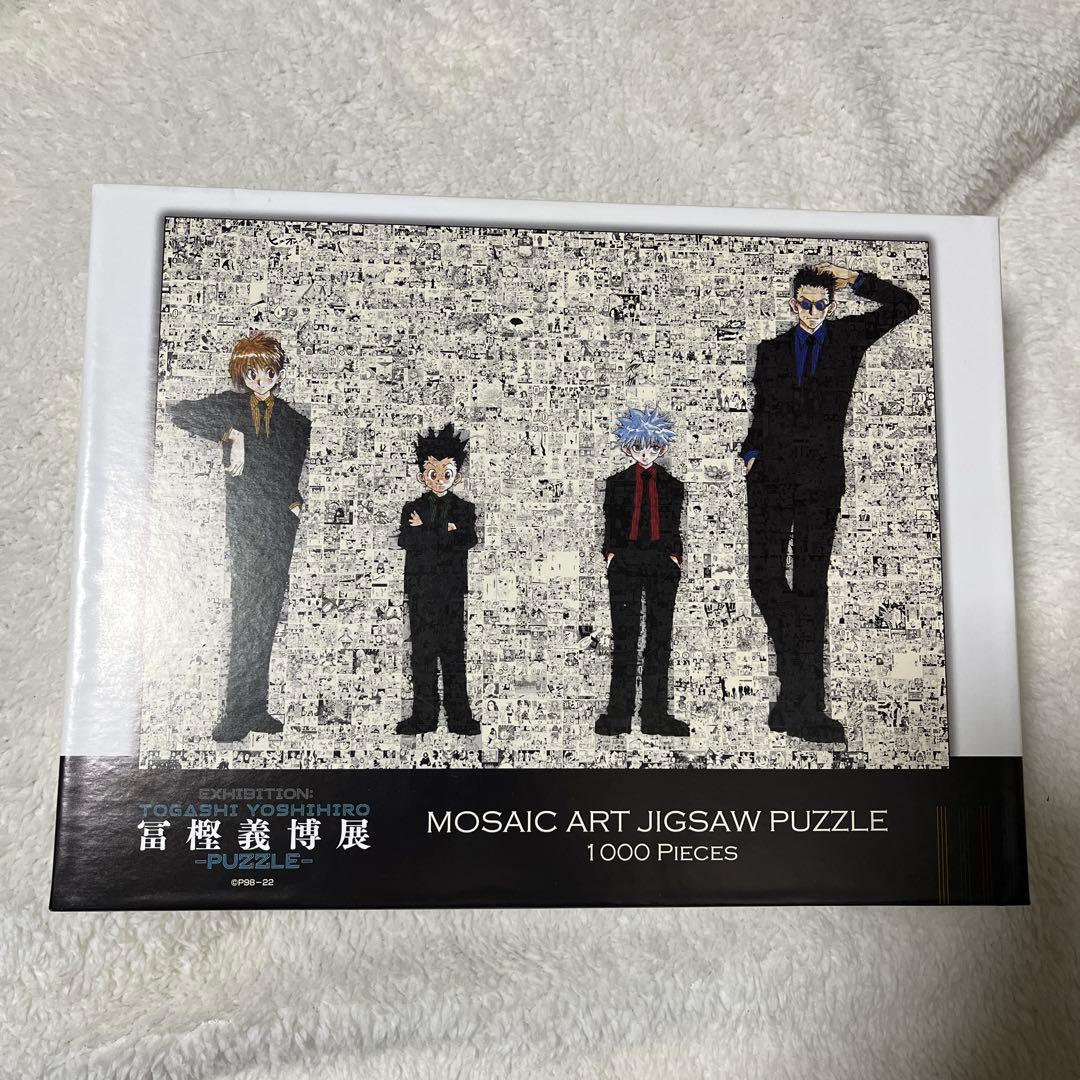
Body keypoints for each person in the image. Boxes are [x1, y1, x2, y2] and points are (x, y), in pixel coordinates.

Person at [741, 262, 919, 743]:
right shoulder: (771, 351)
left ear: (831, 304)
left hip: (819, 483)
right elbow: (763, 411)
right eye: (805, 303)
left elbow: (906, 305)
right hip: (770, 480)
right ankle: (794, 697)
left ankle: (806, 709)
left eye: (822, 304)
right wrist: (752, 453)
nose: (813, 311)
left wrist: (856, 279)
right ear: (793, 302)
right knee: (764, 579)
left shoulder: (847, 340)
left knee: (810, 589)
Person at [170, 332, 311, 742]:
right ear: (241, 375)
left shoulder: (294, 421)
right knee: (246, 613)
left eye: (267, 372)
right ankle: (237, 712)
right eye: (251, 373)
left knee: (266, 613)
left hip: (279, 523)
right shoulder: (230, 407)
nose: (260, 380)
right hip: (247, 523)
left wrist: (293, 505)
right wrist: (232, 434)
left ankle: (256, 708)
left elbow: (289, 467)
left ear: (278, 372)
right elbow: (177, 411)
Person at [597, 406, 687, 737]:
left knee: (659, 639)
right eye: (638, 447)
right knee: (625, 638)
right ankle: (619, 715)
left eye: (652, 447)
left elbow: (674, 524)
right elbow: (611, 523)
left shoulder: (673, 485)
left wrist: (674, 557)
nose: (645, 453)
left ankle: (654, 716)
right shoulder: (616, 484)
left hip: (661, 562)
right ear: (628, 448)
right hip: (625, 562)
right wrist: (611, 555)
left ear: (662, 447)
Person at [396, 423, 480, 735]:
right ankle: (424, 717)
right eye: (433, 473)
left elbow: (467, 540)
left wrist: (427, 531)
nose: (440, 479)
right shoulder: (412, 507)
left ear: (457, 476)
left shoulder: (465, 509)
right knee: (422, 654)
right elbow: (407, 541)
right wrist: (445, 532)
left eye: (447, 473)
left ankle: (459, 718)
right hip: (420, 590)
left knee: (453, 653)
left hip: (451, 590)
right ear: (422, 476)